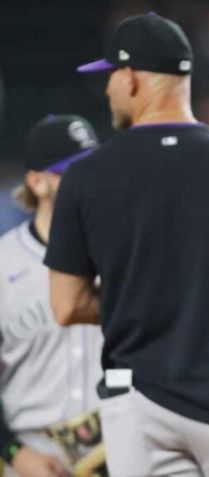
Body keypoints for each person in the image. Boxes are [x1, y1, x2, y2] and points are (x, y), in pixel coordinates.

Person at [44, 13, 209, 477]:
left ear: (132, 77)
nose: (107, 90)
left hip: (142, 404)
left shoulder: (85, 175)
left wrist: (137, 295)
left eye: (110, 77)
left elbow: (65, 304)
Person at [0, 115, 105, 477]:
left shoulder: (124, 252)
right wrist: (13, 453)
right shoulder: (2, 264)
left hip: (123, 450)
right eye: (71, 171)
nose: (88, 179)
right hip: (33, 455)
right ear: (37, 182)